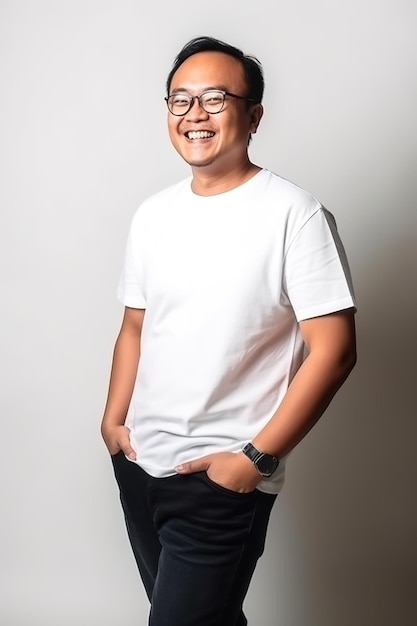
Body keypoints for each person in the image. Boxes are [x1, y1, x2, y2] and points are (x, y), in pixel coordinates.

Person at [101, 36, 357, 626]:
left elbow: (335, 351)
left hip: (221, 473)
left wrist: (255, 458)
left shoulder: (295, 214)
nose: (195, 114)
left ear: (254, 115)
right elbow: (135, 326)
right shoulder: (153, 215)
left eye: (216, 98)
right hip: (142, 463)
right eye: (180, 100)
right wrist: (115, 423)